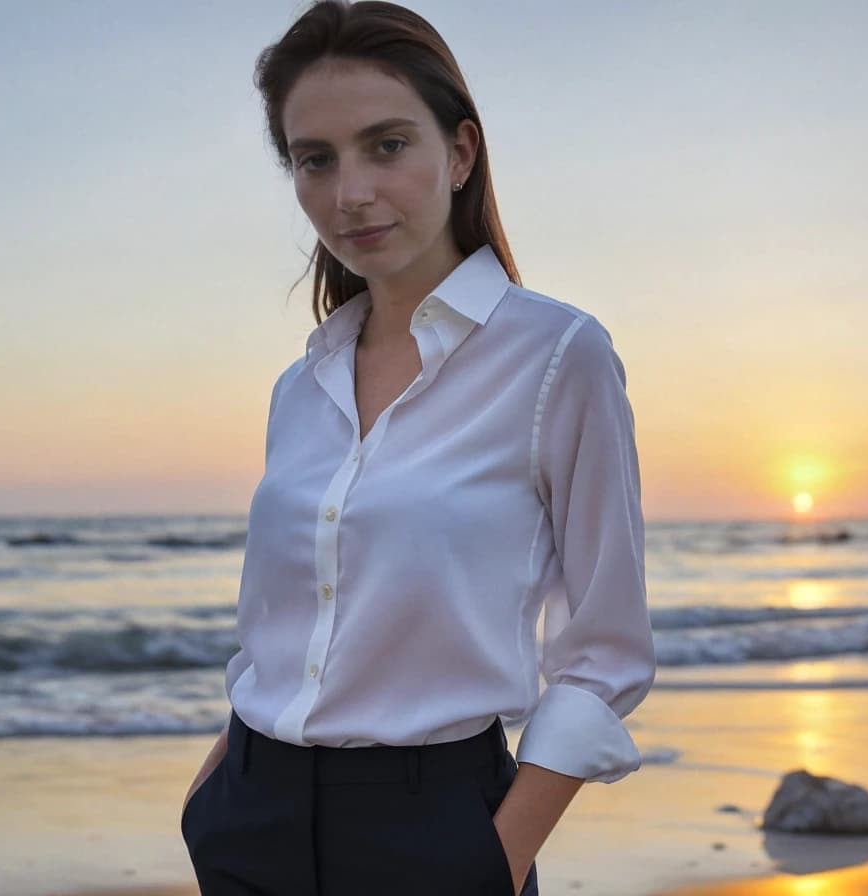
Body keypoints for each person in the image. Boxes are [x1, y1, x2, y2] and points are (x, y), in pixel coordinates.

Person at [178, 2, 657, 894]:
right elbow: (278, 632)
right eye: (314, 159)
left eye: (386, 145)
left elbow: (605, 652)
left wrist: (492, 862)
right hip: (251, 816)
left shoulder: (558, 356)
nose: (348, 191)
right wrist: (211, 797)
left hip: (435, 833)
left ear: (461, 153)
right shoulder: (302, 384)